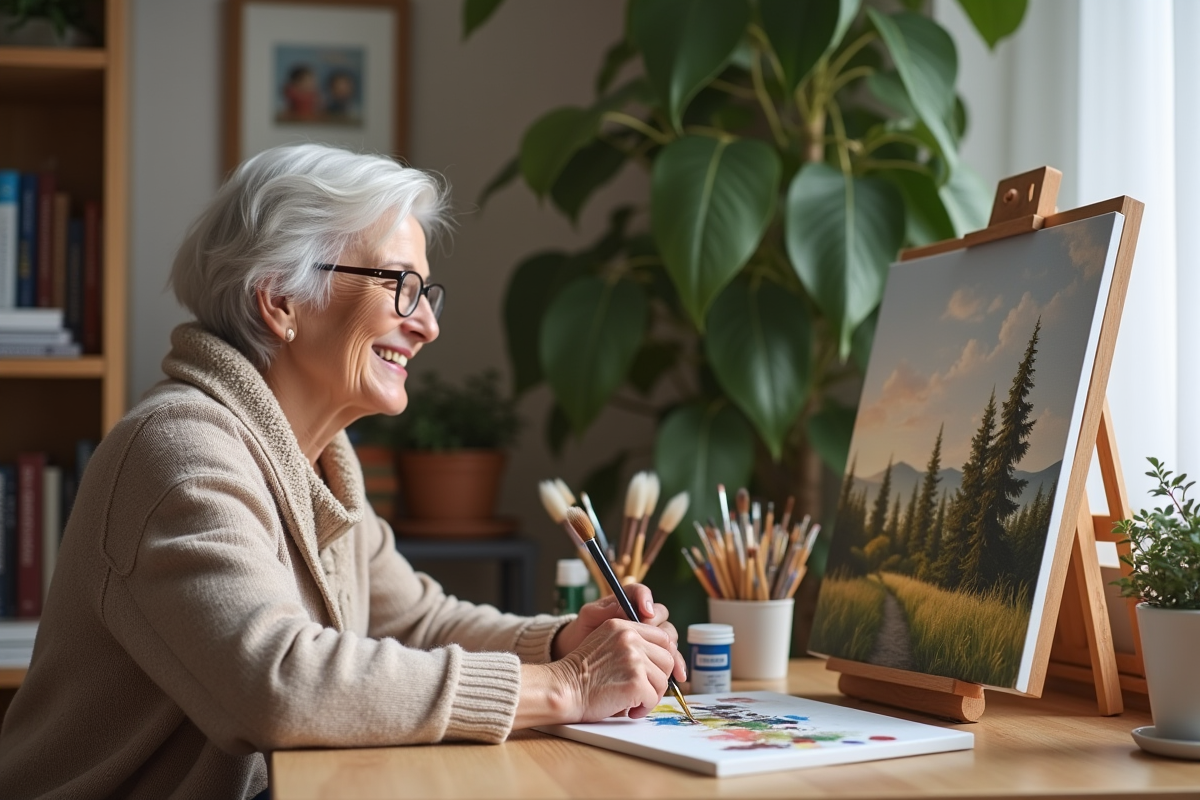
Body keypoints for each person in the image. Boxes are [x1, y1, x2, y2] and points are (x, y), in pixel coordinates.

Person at [0, 144, 686, 799]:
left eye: (427, 292)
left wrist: (565, 641)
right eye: (401, 286)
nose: (427, 327)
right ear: (281, 300)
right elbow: (279, 685)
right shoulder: (178, 450)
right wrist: (564, 687)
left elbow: (414, 623)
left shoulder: (315, 455)